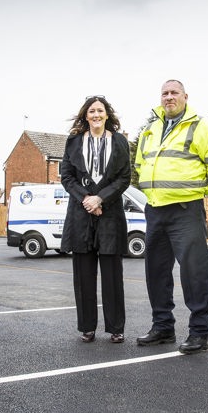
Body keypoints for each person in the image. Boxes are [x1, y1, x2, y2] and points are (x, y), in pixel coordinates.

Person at [134, 79, 208, 354]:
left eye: (174, 93)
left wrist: (194, 192)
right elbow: (140, 165)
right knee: (156, 272)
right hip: (155, 209)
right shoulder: (151, 130)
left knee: (194, 272)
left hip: (186, 210)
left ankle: (200, 333)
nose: (169, 97)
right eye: (165, 93)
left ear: (186, 96)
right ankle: (163, 326)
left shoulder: (202, 128)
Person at [60, 95, 131, 344]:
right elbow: (67, 177)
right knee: (83, 275)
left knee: (112, 275)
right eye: (92, 111)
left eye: (100, 110)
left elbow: (124, 178)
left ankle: (116, 328)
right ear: (85, 115)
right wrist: (87, 200)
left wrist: (100, 199)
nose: (96, 115)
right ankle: (87, 327)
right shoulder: (73, 142)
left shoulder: (120, 141)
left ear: (107, 115)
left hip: (110, 214)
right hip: (81, 215)